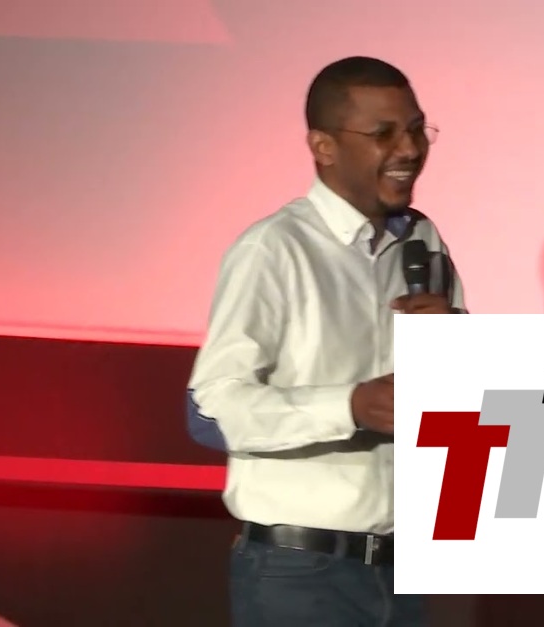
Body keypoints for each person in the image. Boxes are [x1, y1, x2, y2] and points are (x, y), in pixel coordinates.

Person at [187, 56, 468, 626]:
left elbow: (459, 413)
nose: (410, 149)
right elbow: (211, 410)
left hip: (403, 570)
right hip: (300, 573)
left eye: (417, 129)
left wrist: (460, 344)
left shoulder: (424, 242)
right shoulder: (274, 250)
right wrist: (349, 406)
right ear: (324, 146)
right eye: (384, 133)